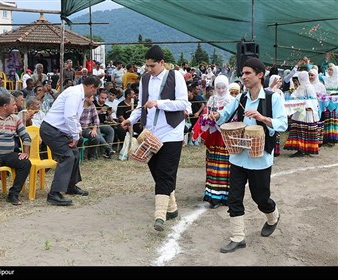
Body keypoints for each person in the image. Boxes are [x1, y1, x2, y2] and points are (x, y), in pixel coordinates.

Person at [208, 57, 288, 253]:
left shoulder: (272, 98)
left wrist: (262, 118)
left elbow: (283, 124)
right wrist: (217, 115)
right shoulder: (241, 98)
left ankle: (273, 215)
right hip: (238, 155)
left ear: (260, 75)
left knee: (261, 198)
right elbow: (226, 113)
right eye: (242, 73)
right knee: (234, 197)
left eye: (248, 73)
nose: (243, 77)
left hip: (260, 158)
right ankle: (237, 237)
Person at [121, 45, 190, 231]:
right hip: (149, 132)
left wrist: (159, 103)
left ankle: (160, 216)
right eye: (147, 66)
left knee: (166, 172)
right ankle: (172, 207)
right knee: (156, 170)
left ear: (162, 63)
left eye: (152, 66)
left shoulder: (175, 77)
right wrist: (130, 119)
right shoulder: (144, 79)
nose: (149, 69)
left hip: (171, 132)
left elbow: (183, 103)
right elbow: (142, 105)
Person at [39, 76, 102, 206]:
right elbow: (70, 116)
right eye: (96, 90)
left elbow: (74, 117)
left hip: (58, 130)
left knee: (74, 154)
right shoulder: (75, 94)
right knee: (67, 156)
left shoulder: (79, 94)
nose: (95, 93)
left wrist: (77, 131)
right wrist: (75, 136)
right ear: (91, 87)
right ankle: (54, 194)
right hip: (51, 129)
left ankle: (70, 185)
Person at [193, 75, 234, 208]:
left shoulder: (231, 100)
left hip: (226, 137)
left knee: (225, 165)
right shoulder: (212, 99)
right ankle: (213, 195)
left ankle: (226, 195)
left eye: (223, 87)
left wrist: (221, 120)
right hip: (213, 135)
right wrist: (207, 118)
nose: (221, 90)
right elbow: (206, 113)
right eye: (218, 88)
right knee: (212, 163)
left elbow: (235, 118)